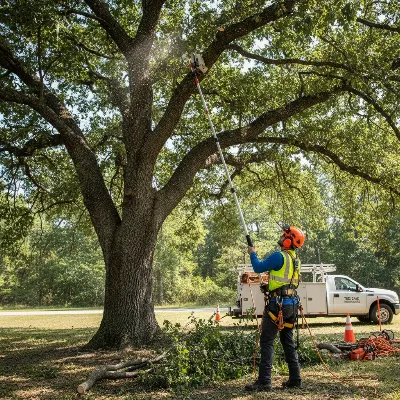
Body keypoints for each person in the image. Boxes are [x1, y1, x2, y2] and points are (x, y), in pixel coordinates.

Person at [245, 225, 305, 392]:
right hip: (291, 305)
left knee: (266, 341)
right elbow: (289, 282)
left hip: (277, 305)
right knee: (288, 341)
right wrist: (270, 287)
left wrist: (252, 253)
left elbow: (257, 267)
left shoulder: (280, 256)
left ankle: (264, 381)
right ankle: (295, 378)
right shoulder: (295, 260)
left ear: (288, 241)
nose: (281, 237)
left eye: (284, 235)